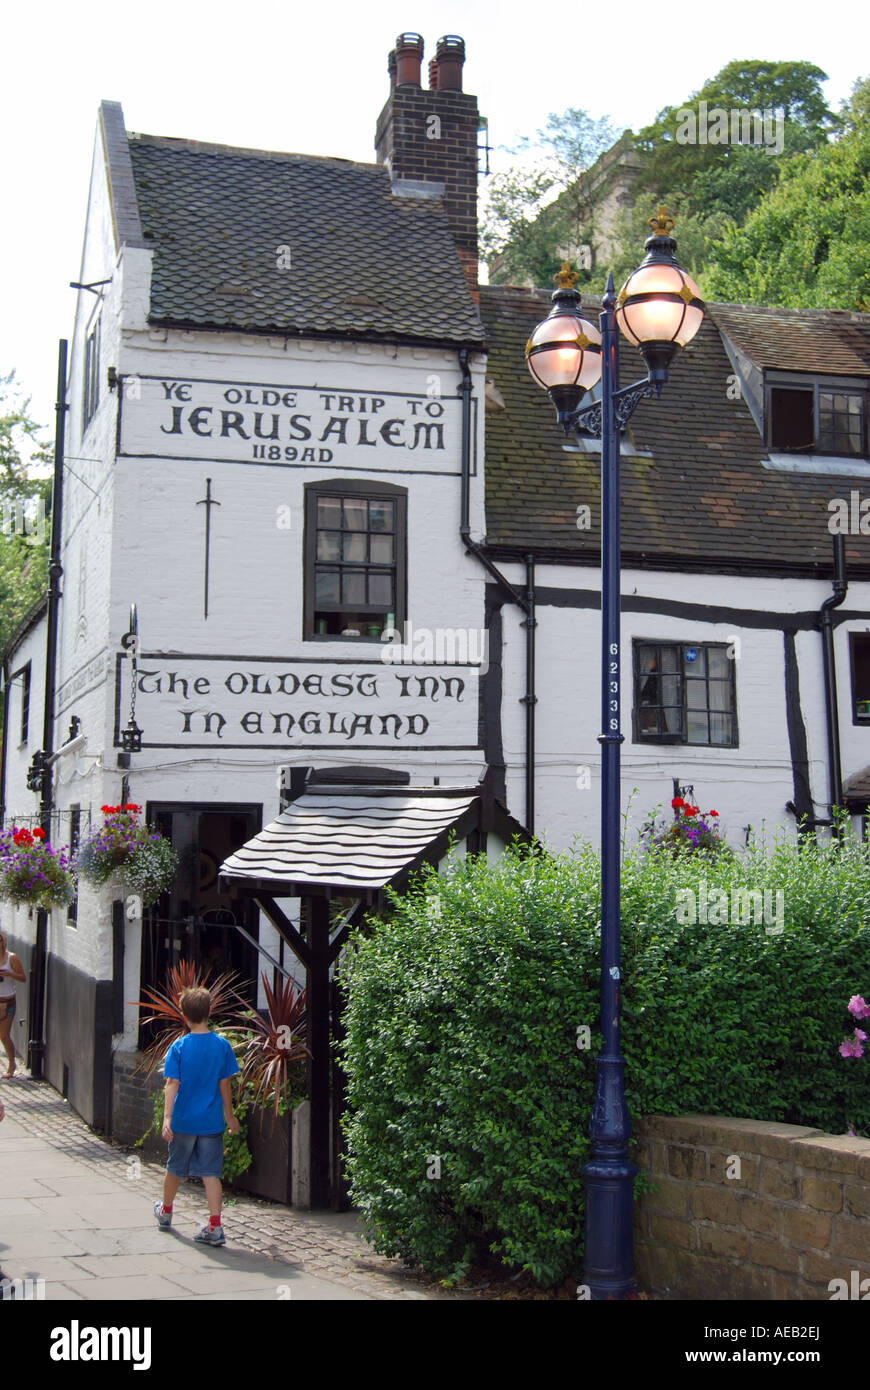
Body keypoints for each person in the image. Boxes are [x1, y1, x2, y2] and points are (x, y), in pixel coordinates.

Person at [153, 985, 240, 1246]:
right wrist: (230, 1116)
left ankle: (166, 1211)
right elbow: (225, 1085)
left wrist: (167, 1117)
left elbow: (171, 1084)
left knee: (175, 1168)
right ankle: (215, 1226)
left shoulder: (179, 1047)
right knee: (211, 1173)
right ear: (210, 1010)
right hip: (211, 1121)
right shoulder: (222, 1046)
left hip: (183, 1120)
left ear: (183, 1014)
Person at [0, 932, 26, 1080]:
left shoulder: (12, 958)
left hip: (7, 1001)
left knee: (3, 1035)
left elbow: (23, 977)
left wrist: (10, 974)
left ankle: (11, 1064)